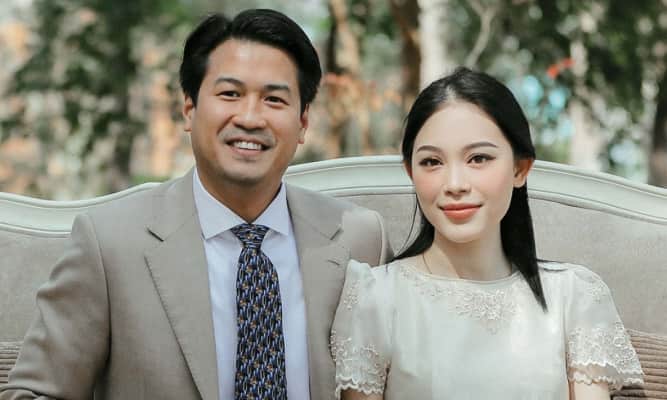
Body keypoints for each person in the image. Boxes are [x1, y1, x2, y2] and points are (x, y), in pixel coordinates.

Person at [1, 9, 391, 400]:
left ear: (303, 121)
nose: (250, 117)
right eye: (230, 94)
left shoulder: (360, 238)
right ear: (189, 108)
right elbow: (33, 392)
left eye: (274, 99)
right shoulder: (110, 244)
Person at [330, 67, 643, 400]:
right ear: (410, 171)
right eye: (432, 162)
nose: (455, 184)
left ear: (520, 168)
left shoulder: (574, 296)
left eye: (478, 158)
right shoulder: (375, 297)